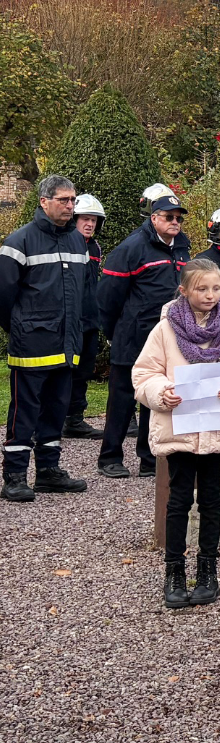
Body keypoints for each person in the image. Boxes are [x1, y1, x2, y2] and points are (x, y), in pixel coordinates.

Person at [133, 258, 220, 608]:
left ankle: (208, 572)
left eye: (216, 288)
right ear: (184, 290)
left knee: (211, 501)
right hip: (180, 428)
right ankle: (173, 572)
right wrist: (162, 392)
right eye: (202, 288)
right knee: (178, 502)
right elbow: (144, 374)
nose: (210, 295)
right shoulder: (164, 331)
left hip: (217, 430)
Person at [0, 174, 91, 501]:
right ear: (43, 201)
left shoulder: (77, 242)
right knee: (25, 413)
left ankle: (49, 471)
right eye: (63, 200)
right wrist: (22, 328)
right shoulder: (19, 242)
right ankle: (14, 476)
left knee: (56, 410)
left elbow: (81, 293)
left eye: (72, 200)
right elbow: (3, 297)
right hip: (31, 348)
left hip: (65, 346)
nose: (70, 206)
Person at [97, 192, 189, 479]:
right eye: (168, 217)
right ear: (154, 218)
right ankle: (110, 457)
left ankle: (149, 458)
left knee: (158, 397)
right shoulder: (131, 248)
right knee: (122, 399)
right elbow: (107, 297)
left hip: (166, 338)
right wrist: (115, 332)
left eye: (178, 218)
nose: (175, 222)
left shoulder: (183, 248)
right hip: (132, 336)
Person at [62, 193, 107, 441]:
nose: (89, 224)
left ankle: (75, 420)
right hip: (69, 322)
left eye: (93, 220)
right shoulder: (66, 244)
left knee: (83, 371)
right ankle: (49, 420)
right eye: (85, 219)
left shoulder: (94, 247)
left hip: (90, 320)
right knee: (63, 372)